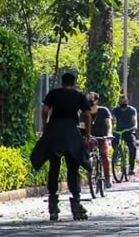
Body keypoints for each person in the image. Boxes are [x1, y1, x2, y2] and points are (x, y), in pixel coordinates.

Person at [31, 73, 91, 221]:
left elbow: (45, 111)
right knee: (73, 167)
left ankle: (53, 205)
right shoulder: (79, 96)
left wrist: (46, 126)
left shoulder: (53, 93)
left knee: (54, 167)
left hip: (55, 131)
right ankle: (76, 204)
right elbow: (88, 115)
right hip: (71, 131)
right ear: (74, 82)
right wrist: (88, 133)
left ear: (61, 82)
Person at [88, 92, 113, 188]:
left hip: (102, 137)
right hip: (90, 137)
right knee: (84, 154)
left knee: (104, 155)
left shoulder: (103, 111)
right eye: (88, 99)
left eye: (91, 99)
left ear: (96, 101)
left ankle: (107, 177)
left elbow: (109, 124)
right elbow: (82, 125)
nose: (89, 101)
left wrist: (109, 133)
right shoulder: (85, 112)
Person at [111, 94, 138, 176]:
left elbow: (134, 119)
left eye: (125, 101)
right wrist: (112, 125)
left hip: (129, 131)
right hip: (119, 132)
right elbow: (113, 119)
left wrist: (134, 126)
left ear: (127, 101)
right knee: (114, 141)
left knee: (132, 147)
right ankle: (118, 155)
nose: (123, 102)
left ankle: (131, 167)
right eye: (121, 101)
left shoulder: (132, 110)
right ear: (119, 102)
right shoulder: (115, 110)